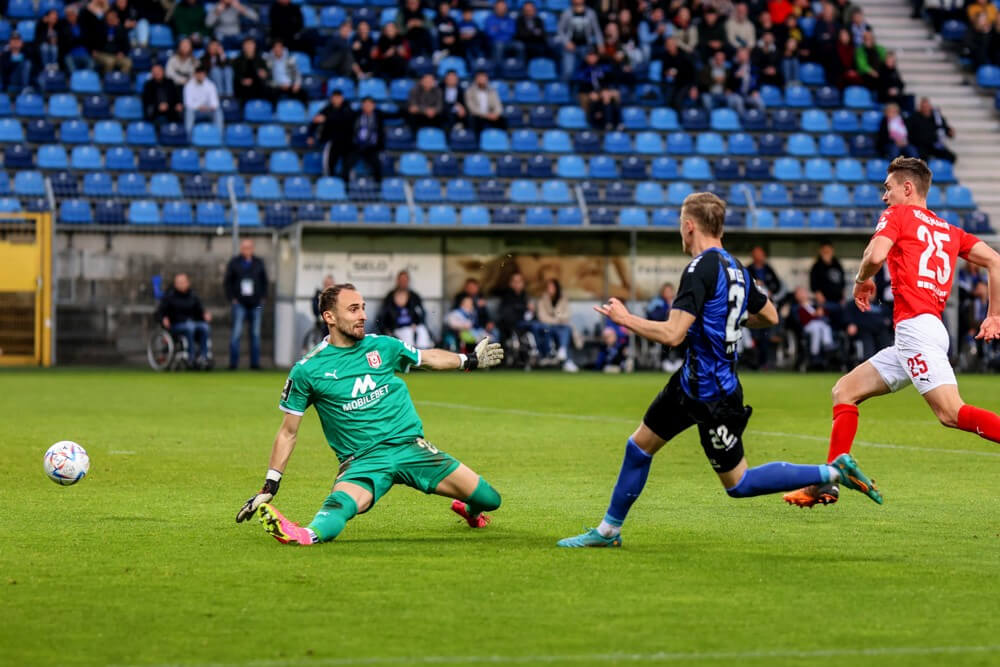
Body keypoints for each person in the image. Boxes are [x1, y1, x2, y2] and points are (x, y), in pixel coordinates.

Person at [557, 192, 882, 548]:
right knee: (639, 447)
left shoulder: (700, 268)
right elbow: (769, 315)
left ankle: (833, 471)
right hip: (690, 383)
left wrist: (624, 319)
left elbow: (673, 333)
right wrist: (726, 320)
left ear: (689, 225)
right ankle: (608, 531)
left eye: (680, 225)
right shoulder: (736, 268)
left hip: (713, 394)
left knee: (738, 483)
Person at [784, 157, 1000, 508]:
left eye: (888, 188)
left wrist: (861, 280)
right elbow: (995, 260)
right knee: (845, 391)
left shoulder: (899, 215)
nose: (884, 197)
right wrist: (994, 315)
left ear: (907, 188)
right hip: (921, 330)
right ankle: (830, 480)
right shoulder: (949, 229)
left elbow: (875, 252)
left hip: (916, 329)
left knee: (950, 413)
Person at [235, 284, 505, 545]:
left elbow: (427, 358)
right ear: (329, 317)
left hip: (412, 449)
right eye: (353, 309)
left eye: (363, 308)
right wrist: (270, 486)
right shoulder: (307, 370)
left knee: (491, 499)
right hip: (363, 461)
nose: (363, 315)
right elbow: (288, 431)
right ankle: (305, 535)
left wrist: (469, 360)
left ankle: (470, 511)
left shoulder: (382, 347)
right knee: (340, 506)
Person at [224, 238, 269, 370]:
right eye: (244, 247)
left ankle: (255, 364)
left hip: (257, 304)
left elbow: (264, 281)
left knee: (255, 333)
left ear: (253, 248)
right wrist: (232, 298)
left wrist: (263, 298)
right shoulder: (234, 262)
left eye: (249, 247)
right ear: (241, 248)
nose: (246, 250)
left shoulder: (258, 263)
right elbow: (227, 282)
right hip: (239, 303)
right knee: (236, 333)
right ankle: (233, 364)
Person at [155, 272, 213, 369]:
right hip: (176, 325)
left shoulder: (193, 296)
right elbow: (160, 312)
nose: (181, 284)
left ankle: (204, 357)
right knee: (189, 327)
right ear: (175, 284)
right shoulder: (169, 297)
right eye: (178, 282)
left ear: (188, 283)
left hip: (192, 324)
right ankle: (191, 357)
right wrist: (163, 318)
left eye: (183, 282)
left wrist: (205, 315)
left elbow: (200, 310)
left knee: (204, 327)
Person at [377, 270, 433, 349]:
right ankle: (410, 357)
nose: (403, 282)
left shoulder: (414, 296)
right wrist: (387, 330)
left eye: (405, 280)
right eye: (401, 279)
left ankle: (423, 355)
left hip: (413, 326)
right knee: (407, 333)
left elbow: (422, 313)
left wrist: (416, 323)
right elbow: (382, 317)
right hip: (397, 328)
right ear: (397, 280)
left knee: (422, 330)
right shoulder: (390, 297)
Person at [533, 278, 579, 372]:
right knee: (563, 330)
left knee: (567, 330)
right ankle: (565, 358)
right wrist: (556, 320)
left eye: (552, 287)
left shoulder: (563, 298)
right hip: (548, 327)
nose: (550, 289)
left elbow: (568, 314)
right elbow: (542, 316)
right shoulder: (543, 299)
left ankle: (563, 352)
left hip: (561, 326)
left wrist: (558, 318)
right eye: (548, 287)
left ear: (557, 288)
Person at [310, 89, 355, 178]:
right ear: (331, 98)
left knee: (347, 166)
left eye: (338, 97)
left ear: (342, 98)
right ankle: (329, 182)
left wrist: (327, 119)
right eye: (334, 97)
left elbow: (345, 120)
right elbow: (315, 121)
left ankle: (346, 185)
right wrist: (310, 135)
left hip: (347, 142)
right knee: (329, 165)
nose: (336, 100)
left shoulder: (347, 108)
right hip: (332, 141)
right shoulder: (327, 109)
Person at [557, 0, 604, 79]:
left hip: (586, 47)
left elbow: (597, 31)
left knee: (584, 71)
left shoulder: (591, 13)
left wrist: (600, 44)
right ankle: (565, 89)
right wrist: (567, 42)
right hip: (570, 48)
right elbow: (560, 30)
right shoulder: (566, 13)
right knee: (568, 71)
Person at [346, 96, 384, 182]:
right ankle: (345, 189)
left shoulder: (378, 115)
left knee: (377, 166)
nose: (367, 106)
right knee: (347, 165)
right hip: (357, 146)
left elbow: (393, 115)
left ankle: (378, 190)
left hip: (372, 147)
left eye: (369, 104)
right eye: (365, 104)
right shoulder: (356, 115)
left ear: (373, 105)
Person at [908, 97, 956, 163]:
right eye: (923, 106)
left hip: (935, 144)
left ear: (930, 107)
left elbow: (944, 128)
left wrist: (950, 132)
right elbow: (909, 133)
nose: (925, 108)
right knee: (922, 159)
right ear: (920, 107)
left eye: (927, 106)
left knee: (951, 157)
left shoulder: (937, 118)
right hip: (921, 146)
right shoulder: (914, 118)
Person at [183, 66, 223, 136]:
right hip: (195, 111)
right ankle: (188, 137)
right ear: (194, 74)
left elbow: (215, 103)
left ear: (205, 74)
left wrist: (208, 107)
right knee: (188, 112)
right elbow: (188, 103)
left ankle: (219, 136)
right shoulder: (188, 85)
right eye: (198, 74)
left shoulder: (210, 85)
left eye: (202, 74)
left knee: (218, 111)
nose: (200, 75)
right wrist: (199, 107)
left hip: (208, 110)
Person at [464, 70, 506, 136]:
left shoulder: (492, 90)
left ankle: (501, 139)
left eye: (484, 77)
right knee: (474, 121)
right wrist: (486, 115)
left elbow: (498, 105)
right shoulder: (470, 91)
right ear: (476, 79)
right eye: (480, 77)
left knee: (503, 119)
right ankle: (477, 142)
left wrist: (496, 114)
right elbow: (471, 108)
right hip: (478, 116)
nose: (482, 79)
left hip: (491, 114)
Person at [91, 10, 132, 74]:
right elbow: (96, 41)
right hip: (103, 53)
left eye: (113, 17)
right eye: (110, 17)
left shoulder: (120, 28)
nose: (111, 19)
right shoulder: (101, 27)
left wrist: (122, 52)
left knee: (128, 62)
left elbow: (126, 44)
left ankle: (121, 80)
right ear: (106, 18)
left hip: (116, 55)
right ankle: (108, 80)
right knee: (110, 61)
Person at [59, 5, 96, 73]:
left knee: (92, 65)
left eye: (72, 15)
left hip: (84, 53)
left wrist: (76, 40)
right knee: (72, 69)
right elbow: (65, 43)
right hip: (71, 54)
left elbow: (87, 40)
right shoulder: (63, 28)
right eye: (68, 15)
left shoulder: (83, 26)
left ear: (76, 15)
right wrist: (78, 40)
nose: (70, 17)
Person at [484, 0, 522, 65]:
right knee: (499, 46)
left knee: (520, 46)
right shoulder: (490, 19)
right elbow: (490, 33)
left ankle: (520, 66)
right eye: (499, 8)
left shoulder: (509, 19)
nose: (501, 10)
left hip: (509, 42)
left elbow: (512, 32)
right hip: (494, 42)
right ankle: (498, 68)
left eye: (503, 8)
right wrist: (504, 30)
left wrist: (498, 29)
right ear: (495, 9)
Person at [233, 38, 270, 104]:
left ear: (255, 46)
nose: (249, 47)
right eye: (247, 45)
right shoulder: (237, 60)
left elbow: (267, 73)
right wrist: (242, 80)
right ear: (243, 47)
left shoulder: (261, 60)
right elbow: (236, 74)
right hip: (243, 87)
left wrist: (265, 74)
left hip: (258, 86)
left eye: (251, 44)